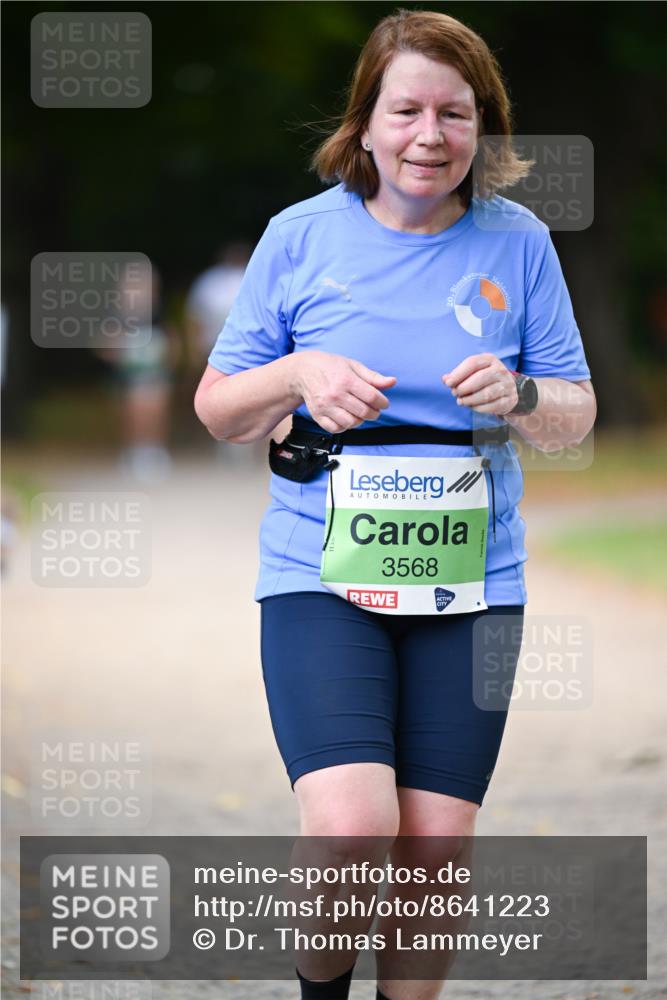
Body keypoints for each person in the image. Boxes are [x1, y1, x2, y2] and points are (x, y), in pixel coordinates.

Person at [195, 9, 596, 999]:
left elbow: (575, 415)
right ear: (364, 123)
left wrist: (524, 395)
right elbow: (217, 409)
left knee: (433, 847)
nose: (430, 135)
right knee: (349, 825)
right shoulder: (300, 237)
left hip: (473, 582)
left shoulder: (519, 242)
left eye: (454, 113)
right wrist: (297, 369)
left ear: (483, 127)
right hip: (317, 573)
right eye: (406, 109)